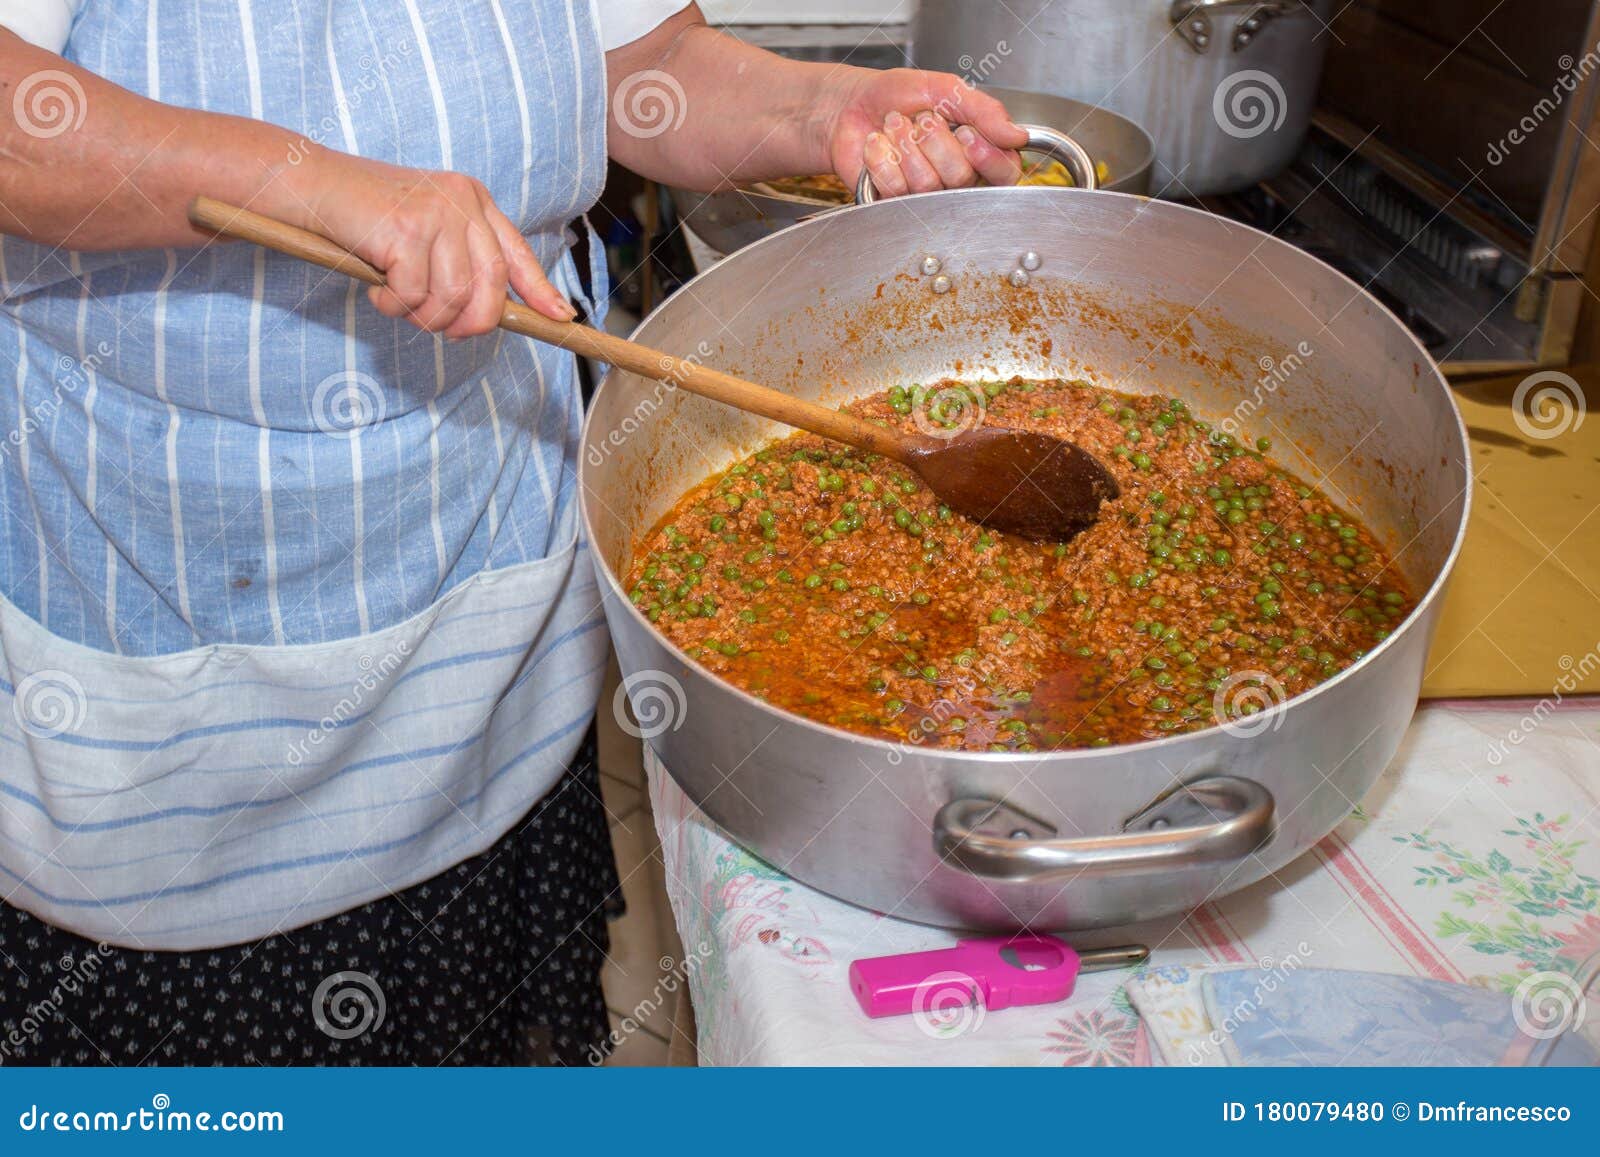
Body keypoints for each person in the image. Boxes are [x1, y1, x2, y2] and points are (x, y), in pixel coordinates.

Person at [0, 1, 1025, 1065]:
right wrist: (316, 180)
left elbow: (648, 68)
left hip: (489, 641)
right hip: (172, 660)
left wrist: (826, 110)